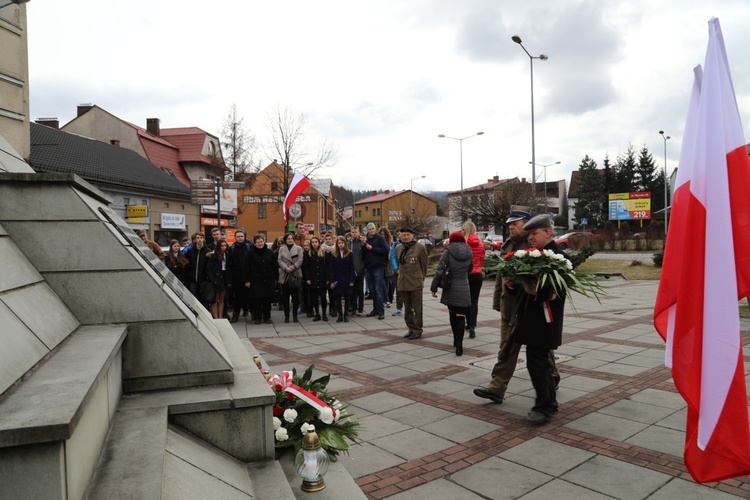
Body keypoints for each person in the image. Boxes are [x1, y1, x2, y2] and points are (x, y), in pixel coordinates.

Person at [474, 209, 559, 405]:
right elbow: (500, 278)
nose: (511, 227)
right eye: (510, 224)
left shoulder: (536, 246)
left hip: (531, 307)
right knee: (506, 347)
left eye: (516, 223)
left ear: (528, 224)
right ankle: (497, 388)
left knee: (541, 350)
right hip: (510, 305)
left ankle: (551, 378)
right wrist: (498, 301)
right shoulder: (508, 245)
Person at [510, 215, 567, 423]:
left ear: (548, 233)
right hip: (531, 318)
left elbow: (559, 290)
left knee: (537, 362)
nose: (530, 237)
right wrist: (511, 284)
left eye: (534, 233)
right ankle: (548, 403)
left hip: (546, 319)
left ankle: (544, 406)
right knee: (539, 362)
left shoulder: (560, 258)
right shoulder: (529, 256)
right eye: (529, 234)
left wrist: (537, 292)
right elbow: (519, 288)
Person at [430, 231, 472, 355]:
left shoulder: (448, 252)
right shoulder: (469, 251)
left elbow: (439, 270)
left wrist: (434, 287)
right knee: (461, 315)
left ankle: (456, 340)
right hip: (464, 286)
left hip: (451, 287)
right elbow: (470, 268)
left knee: (452, 313)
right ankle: (460, 345)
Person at [395, 228, 428, 339]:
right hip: (403, 282)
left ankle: (418, 329)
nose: (406, 237)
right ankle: (410, 327)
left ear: (412, 235)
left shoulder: (420, 248)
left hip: (415, 282)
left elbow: (424, 265)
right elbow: (399, 264)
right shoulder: (398, 248)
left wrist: (421, 278)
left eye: (408, 235)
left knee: (417, 308)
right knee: (407, 307)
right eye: (403, 235)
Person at [245, 234, 278, 324]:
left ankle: (267, 317)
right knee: (257, 301)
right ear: (254, 244)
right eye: (258, 242)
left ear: (264, 242)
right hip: (255, 281)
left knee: (267, 300)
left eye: (261, 242)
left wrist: (276, 278)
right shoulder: (250, 254)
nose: (260, 244)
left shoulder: (269, 252)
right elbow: (246, 267)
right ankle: (258, 318)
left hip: (268, 280)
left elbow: (274, 266)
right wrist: (247, 280)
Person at [360, 222, 389, 320]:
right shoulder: (366, 239)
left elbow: (385, 250)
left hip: (378, 267)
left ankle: (381, 311)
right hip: (369, 267)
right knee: (372, 290)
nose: (371, 230)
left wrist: (372, 248)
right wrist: (363, 245)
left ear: (375, 229)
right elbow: (363, 253)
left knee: (378, 289)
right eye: (369, 229)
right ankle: (375, 309)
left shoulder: (380, 238)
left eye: (372, 229)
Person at [463, 221, 486, 339]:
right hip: (477, 274)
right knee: (474, 300)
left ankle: (467, 323)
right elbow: (482, 259)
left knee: (466, 300)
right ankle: (472, 326)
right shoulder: (480, 243)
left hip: (466, 274)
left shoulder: (464, 243)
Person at [278, 232, 304, 323]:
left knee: (295, 298)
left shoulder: (298, 248)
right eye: (288, 238)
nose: (290, 240)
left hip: (295, 274)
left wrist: (292, 268)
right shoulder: (281, 249)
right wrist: (285, 268)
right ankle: (287, 316)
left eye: (291, 238)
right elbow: (279, 260)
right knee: (285, 298)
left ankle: (295, 315)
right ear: (285, 240)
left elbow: (300, 260)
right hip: (285, 275)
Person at [328, 236, 355, 322]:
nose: (340, 245)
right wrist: (332, 281)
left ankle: (346, 315)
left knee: (347, 298)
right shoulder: (333, 255)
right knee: (338, 298)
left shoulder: (350, 254)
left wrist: (351, 280)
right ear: (337, 244)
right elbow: (331, 269)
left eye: (342, 243)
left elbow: (352, 268)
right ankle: (340, 315)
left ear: (345, 244)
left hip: (347, 279)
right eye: (339, 243)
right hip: (337, 279)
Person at [303, 236, 328, 321]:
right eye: (313, 242)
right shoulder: (307, 254)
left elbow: (327, 267)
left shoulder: (323, 253)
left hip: (322, 278)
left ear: (319, 243)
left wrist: (327, 278)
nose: (314, 244)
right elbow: (305, 267)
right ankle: (317, 313)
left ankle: (324, 313)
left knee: (323, 297)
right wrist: (308, 279)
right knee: (314, 298)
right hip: (312, 279)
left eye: (316, 242)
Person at [228, 229, 251, 323]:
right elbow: (229, 264)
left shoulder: (249, 247)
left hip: (248, 276)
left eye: (241, 236)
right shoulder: (232, 249)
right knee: (237, 297)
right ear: (235, 237)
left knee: (249, 296)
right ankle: (235, 314)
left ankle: (253, 313)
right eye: (238, 236)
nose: (240, 238)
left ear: (244, 237)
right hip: (236, 277)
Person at [206, 239, 231, 319]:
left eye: (225, 246)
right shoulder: (214, 255)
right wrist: (213, 279)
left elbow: (228, 268)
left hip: (224, 277)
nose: (223, 247)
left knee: (222, 299)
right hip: (216, 277)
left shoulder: (227, 254)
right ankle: (216, 317)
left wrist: (229, 280)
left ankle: (220, 317)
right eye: (222, 246)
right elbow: (209, 269)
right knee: (215, 299)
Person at [186, 232, 210, 308]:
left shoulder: (208, 251)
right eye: (197, 238)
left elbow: (209, 266)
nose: (199, 240)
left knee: (204, 299)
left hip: (203, 280)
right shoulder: (190, 251)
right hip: (192, 279)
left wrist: (206, 277)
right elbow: (188, 264)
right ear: (195, 240)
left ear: (203, 239)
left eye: (201, 238)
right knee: (194, 298)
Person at [348, 227, 366, 316]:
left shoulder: (361, 242)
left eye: (356, 232)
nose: (354, 233)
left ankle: (360, 308)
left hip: (360, 269)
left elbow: (365, 254)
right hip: (352, 270)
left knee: (360, 290)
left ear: (359, 232)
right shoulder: (349, 243)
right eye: (352, 232)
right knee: (353, 290)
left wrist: (363, 243)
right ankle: (354, 307)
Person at [321, 232, 337, 317]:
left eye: (329, 239)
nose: (328, 241)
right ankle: (325, 311)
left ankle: (333, 309)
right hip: (324, 274)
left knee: (333, 293)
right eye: (326, 239)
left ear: (333, 240)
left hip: (334, 274)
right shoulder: (322, 250)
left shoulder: (335, 250)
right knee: (325, 293)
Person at [379, 227, 395, 308]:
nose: (383, 236)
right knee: (382, 283)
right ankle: (386, 299)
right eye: (381, 234)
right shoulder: (379, 242)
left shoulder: (390, 243)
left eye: (384, 235)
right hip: (380, 264)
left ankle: (387, 299)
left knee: (387, 282)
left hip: (388, 264)